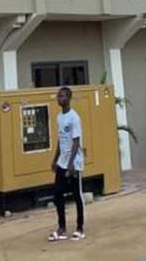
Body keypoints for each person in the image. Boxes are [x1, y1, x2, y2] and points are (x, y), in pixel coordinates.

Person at [48, 86, 85, 242]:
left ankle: (80, 228)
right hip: (62, 162)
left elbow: (76, 141)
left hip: (74, 163)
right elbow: (60, 139)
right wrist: (56, 159)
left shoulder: (74, 117)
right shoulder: (59, 117)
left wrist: (71, 164)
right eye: (58, 96)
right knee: (57, 194)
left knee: (77, 195)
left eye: (62, 96)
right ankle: (61, 228)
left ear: (68, 98)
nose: (59, 98)